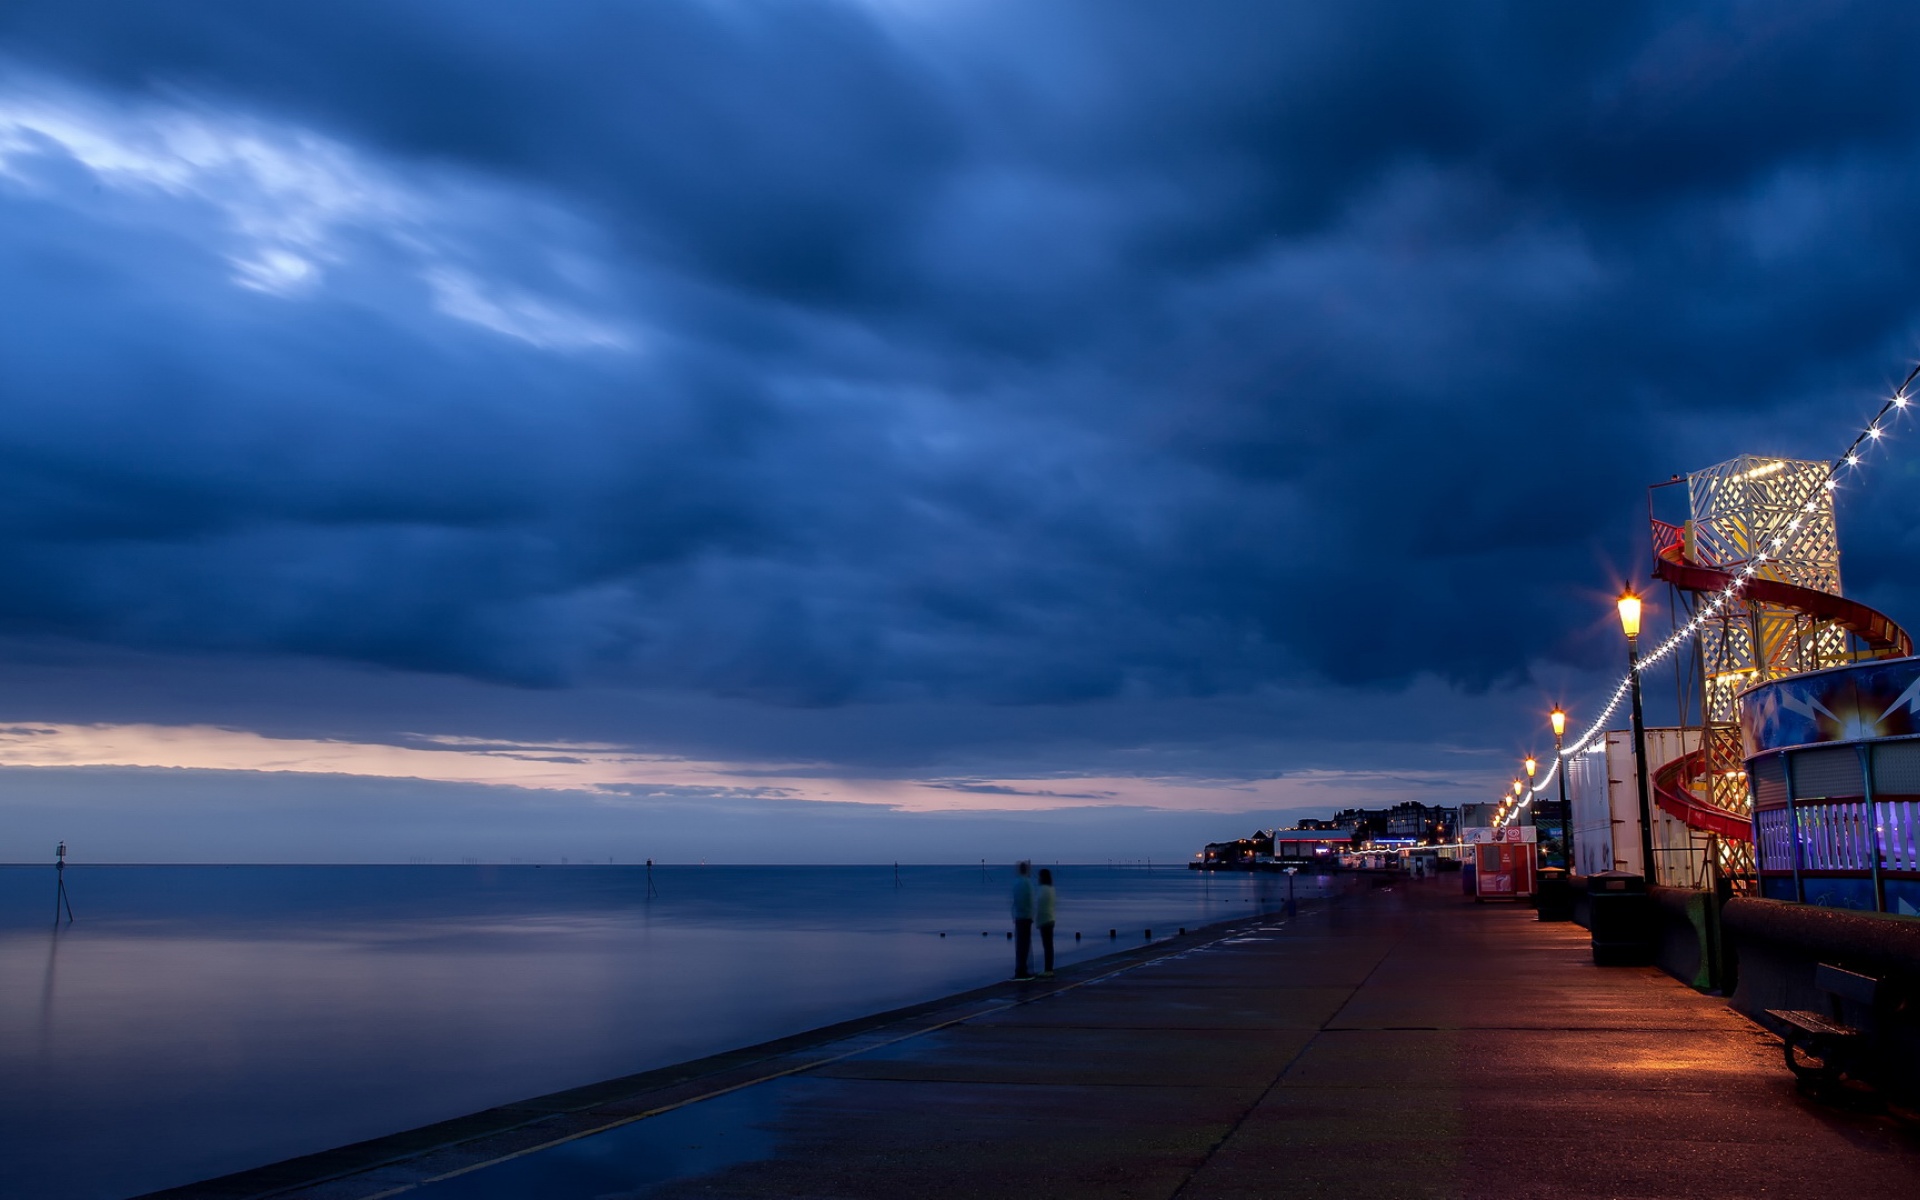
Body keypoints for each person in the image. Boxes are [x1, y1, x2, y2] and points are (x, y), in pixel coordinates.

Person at [1010, 861, 1036, 979]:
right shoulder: (1027, 883)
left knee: (1019, 945)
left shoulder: (1016, 883)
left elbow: (1015, 901)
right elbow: (1030, 901)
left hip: (1018, 916)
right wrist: (1031, 915)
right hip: (1026, 917)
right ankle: (1023, 970)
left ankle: (1019, 969)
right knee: (1024, 945)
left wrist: (1014, 915)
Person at [1036, 868, 1057, 976]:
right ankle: (1049, 968)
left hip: (1045, 920)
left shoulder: (1042, 889)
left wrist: (1037, 920)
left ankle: (1048, 970)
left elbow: (1040, 906)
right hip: (1051, 918)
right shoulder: (1051, 889)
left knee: (1047, 945)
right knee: (1049, 945)